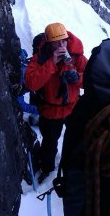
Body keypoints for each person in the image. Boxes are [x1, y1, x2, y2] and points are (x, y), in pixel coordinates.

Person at [25, 22, 88, 184]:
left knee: (75, 140)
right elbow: (31, 83)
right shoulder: (41, 57)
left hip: (72, 107)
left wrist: (78, 78)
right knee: (49, 143)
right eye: (56, 42)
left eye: (64, 41)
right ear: (49, 42)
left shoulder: (76, 55)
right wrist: (51, 63)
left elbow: (90, 78)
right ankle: (47, 170)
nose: (61, 45)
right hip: (50, 110)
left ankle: (71, 171)